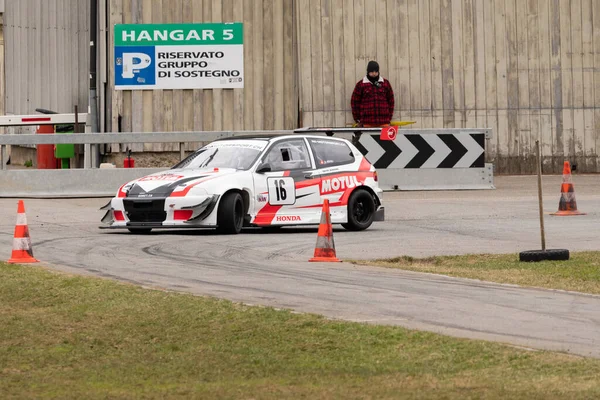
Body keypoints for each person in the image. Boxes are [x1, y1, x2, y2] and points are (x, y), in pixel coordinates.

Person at [350, 60, 395, 131]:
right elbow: (355, 103)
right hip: (367, 122)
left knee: (386, 142)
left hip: (384, 122)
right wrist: (358, 119)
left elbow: (391, 100)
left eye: (376, 71)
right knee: (366, 142)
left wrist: (389, 117)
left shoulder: (385, 83)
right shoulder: (361, 85)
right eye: (372, 72)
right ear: (368, 71)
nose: (374, 74)